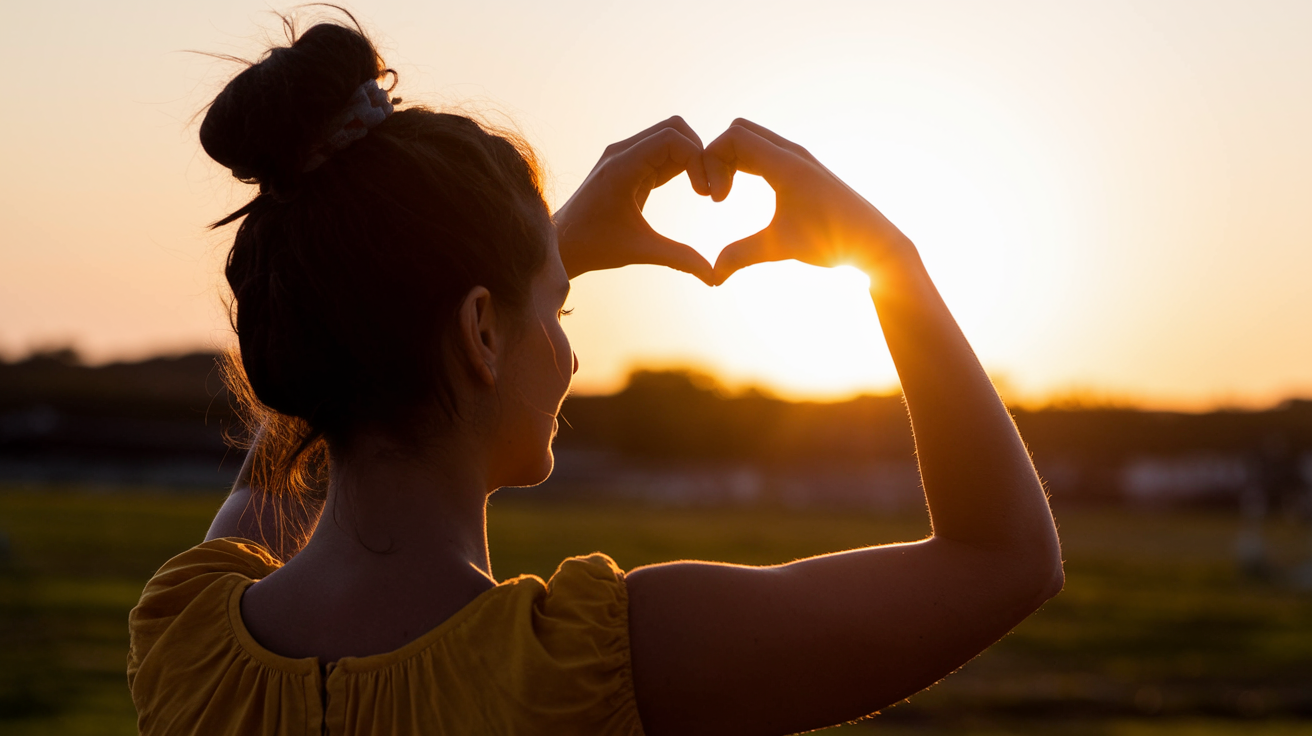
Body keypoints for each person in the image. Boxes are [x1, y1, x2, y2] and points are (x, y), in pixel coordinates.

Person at [127, 15, 1063, 736]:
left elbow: (318, 408)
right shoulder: (587, 666)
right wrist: (887, 259)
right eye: (561, 312)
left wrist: (527, 260)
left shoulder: (189, 640)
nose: (568, 352)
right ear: (482, 333)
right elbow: (1003, 560)